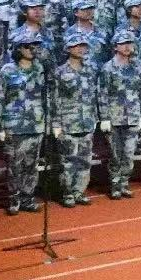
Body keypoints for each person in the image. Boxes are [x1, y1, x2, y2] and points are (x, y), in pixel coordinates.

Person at [0, 27, 47, 215]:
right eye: (27, 46)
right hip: (14, 126)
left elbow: (45, 96)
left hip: (35, 124)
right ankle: (14, 198)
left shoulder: (39, 68)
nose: (32, 49)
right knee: (14, 165)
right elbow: (0, 97)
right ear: (18, 48)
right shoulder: (7, 70)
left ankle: (28, 197)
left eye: (34, 46)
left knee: (32, 165)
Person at [51, 29, 98, 207]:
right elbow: (54, 99)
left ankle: (79, 191)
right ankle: (68, 193)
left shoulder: (90, 70)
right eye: (76, 45)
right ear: (68, 48)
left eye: (83, 45)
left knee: (85, 160)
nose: (80, 48)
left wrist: (96, 117)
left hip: (87, 121)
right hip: (68, 122)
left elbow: (94, 95)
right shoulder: (60, 72)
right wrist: (56, 123)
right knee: (68, 161)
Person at [98, 28, 141, 199]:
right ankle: (115, 185)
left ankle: (124, 183)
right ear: (115, 46)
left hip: (132, 116)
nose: (127, 46)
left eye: (129, 43)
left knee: (129, 153)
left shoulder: (137, 66)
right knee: (115, 154)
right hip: (114, 117)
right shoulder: (108, 68)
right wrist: (104, 117)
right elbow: (102, 93)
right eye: (123, 43)